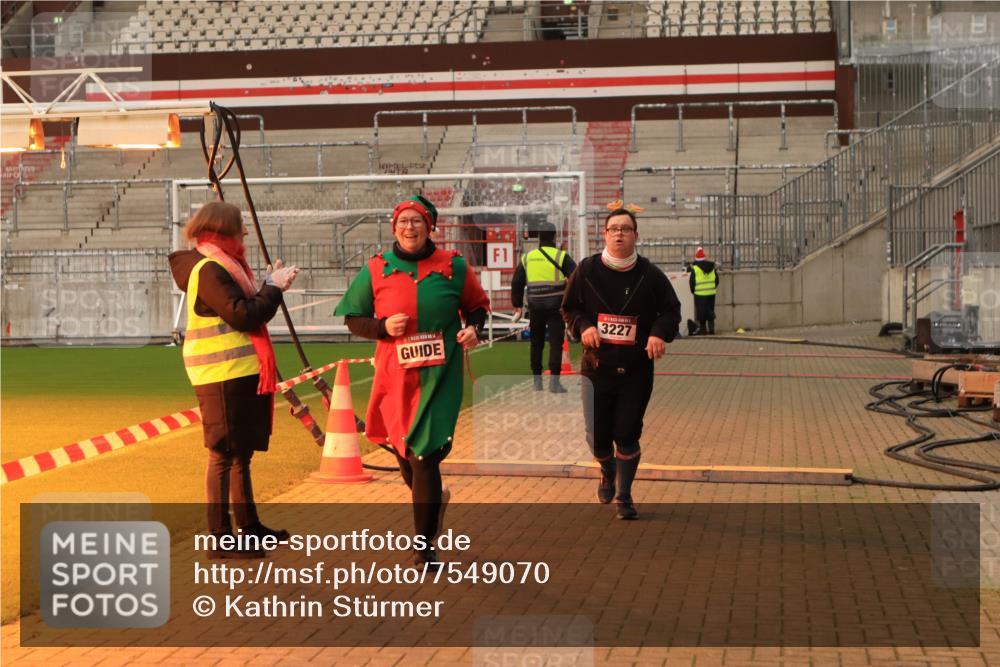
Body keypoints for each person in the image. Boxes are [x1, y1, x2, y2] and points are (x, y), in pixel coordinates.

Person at [334, 195, 489, 567]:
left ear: (429, 226)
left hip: (440, 374)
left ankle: (424, 545)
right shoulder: (376, 268)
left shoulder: (453, 265)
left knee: (425, 455)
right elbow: (353, 317)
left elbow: (477, 308)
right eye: (403, 221)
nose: (409, 228)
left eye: (417, 221)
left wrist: (472, 329)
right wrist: (382, 327)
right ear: (394, 227)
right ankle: (433, 500)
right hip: (394, 375)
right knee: (405, 453)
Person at [169, 201, 300, 559]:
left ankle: (249, 528)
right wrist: (272, 288)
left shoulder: (217, 264)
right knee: (224, 455)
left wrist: (269, 288)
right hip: (222, 373)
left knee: (239, 453)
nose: (245, 233)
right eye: (240, 227)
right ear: (223, 230)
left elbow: (243, 311)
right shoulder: (211, 269)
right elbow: (244, 315)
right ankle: (221, 537)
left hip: (235, 371)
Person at [561, 205, 681, 520]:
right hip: (596, 368)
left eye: (625, 229)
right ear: (604, 234)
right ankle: (606, 467)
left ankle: (624, 496)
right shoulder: (586, 271)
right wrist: (584, 326)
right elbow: (569, 307)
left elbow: (671, 311)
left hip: (636, 371)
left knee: (627, 433)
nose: (619, 234)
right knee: (597, 438)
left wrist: (658, 334)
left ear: (635, 235)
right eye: (614, 229)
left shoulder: (650, 275)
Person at [510, 221, 576, 393]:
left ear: (539, 236)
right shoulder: (561, 256)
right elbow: (577, 277)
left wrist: (517, 304)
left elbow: (517, 282)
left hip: (535, 306)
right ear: (554, 236)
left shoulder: (527, 257)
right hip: (556, 306)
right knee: (556, 344)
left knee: (536, 343)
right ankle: (554, 384)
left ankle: (537, 383)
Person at [689, 246, 719, 335]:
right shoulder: (712, 267)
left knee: (701, 312)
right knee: (710, 310)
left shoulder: (695, 269)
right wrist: (712, 288)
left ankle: (703, 330)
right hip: (711, 293)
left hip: (699, 293)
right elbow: (717, 280)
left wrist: (693, 291)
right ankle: (712, 329)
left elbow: (692, 282)